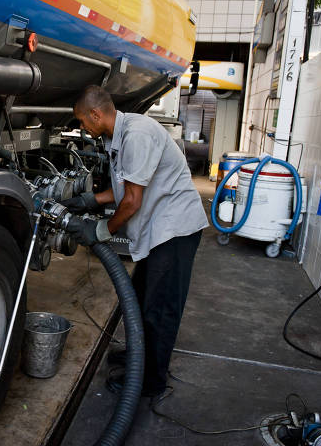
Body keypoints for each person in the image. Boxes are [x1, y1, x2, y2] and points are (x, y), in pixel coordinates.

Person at [62, 85, 208, 405]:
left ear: (96, 114)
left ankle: (151, 381)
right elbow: (125, 187)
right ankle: (138, 357)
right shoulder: (119, 135)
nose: (82, 128)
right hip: (160, 229)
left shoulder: (138, 134)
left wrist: (101, 230)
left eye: (83, 121)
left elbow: (131, 200)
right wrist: (88, 200)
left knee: (160, 308)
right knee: (141, 298)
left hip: (175, 231)